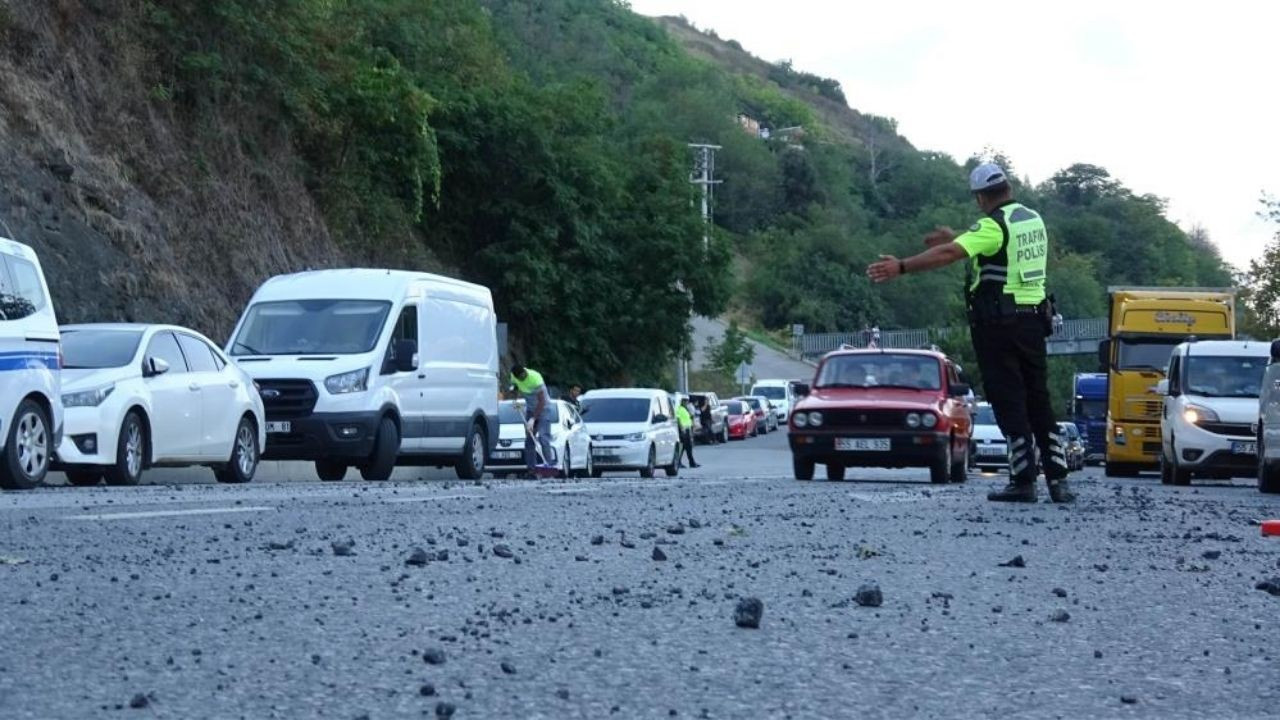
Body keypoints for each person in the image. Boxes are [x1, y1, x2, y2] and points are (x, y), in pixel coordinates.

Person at [866, 162, 1074, 503]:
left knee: (1010, 400)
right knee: (1039, 399)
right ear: (1008, 188)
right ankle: (1058, 480)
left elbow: (953, 253)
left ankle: (1023, 481)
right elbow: (997, 251)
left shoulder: (993, 225)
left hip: (1000, 325)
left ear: (980, 198)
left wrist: (901, 266)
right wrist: (960, 237)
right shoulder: (1032, 219)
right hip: (1034, 321)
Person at [510, 364, 554, 477]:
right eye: (519, 378)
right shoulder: (514, 376)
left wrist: (533, 419)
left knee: (543, 438)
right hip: (530, 409)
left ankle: (548, 468)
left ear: (524, 372)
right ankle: (531, 470)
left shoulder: (535, 378)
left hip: (544, 409)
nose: (522, 379)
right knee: (529, 439)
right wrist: (515, 399)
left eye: (523, 376)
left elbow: (542, 401)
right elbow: (514, 386)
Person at [675, 398, 700, 468]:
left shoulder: (685, 409)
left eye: (687, 401)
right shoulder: (679, 409)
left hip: (687, 429)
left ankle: (690, 462)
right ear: (682, 402)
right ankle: (689, 463)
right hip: (683, 430)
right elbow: (678, 419)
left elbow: (689, 418)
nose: (686, 402)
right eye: (685, 401)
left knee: (686, 447)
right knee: (686, 447)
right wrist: (681, 428)